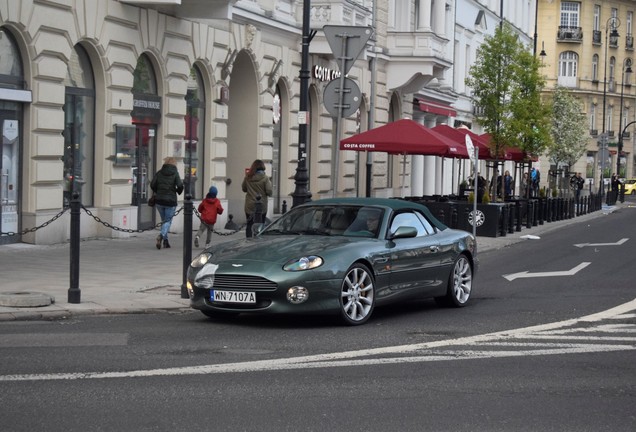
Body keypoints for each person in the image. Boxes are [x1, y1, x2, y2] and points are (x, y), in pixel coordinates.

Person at [150, 157, 184, 250]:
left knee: (164, 221)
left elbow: (152, 184)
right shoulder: (175, 173)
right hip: (170, 201)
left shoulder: (159, 172)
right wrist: (177, 191)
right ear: (174, 164)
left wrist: (158, 191)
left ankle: (166, 242)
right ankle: (161, 236)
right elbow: (180, 185)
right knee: (168, 221)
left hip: (159, 200)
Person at [242, 159, 273, 237]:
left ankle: (248, 240)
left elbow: (244, 189)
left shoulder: (248, 177)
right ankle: (258, 240)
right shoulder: (265, 178)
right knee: (260, 224)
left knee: (249, 225)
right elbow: (269, 191)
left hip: (249, 205)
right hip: (261, 205)